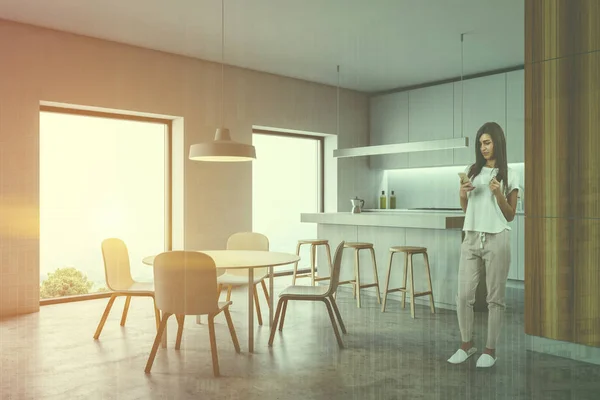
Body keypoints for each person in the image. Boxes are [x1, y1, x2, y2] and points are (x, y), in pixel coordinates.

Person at [447, 121, 520, 368]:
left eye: (487, 142)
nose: (483, 147)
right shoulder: (473, 170)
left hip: (497, 238)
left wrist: (498, 194)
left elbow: (510, 215)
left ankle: (490, 350)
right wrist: (461, 193)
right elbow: (468, 209)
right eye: (480, 143)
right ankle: (466, 345)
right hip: (470, 237)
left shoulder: (510, 173)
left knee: (494, 298)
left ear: (497, 143)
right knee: (463, 295)